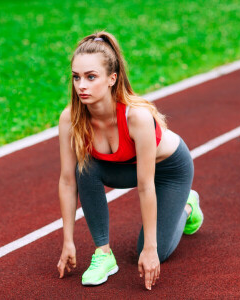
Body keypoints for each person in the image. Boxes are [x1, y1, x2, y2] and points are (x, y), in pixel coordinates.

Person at [56, 31, 204, 290]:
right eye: (76, 77)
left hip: (168, 170)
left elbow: (146, 186)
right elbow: (68, 182)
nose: (82, 85)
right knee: (84, 167)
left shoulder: (137, 117)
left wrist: (150, 249)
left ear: (112, 78)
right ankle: (103, 254)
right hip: (125, 167)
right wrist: (67, 240)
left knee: (152, 252)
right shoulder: (70, 119)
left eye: (91, 77)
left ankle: (187, 205)